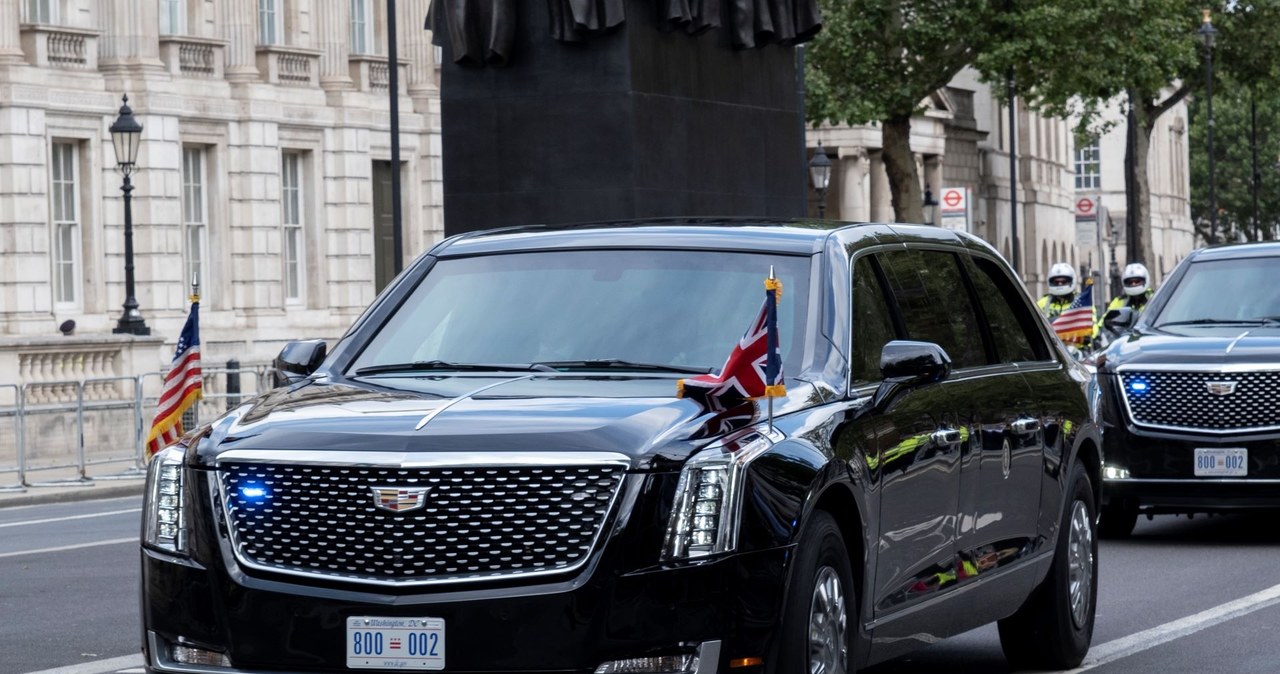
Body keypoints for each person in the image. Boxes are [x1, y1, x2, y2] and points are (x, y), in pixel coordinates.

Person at [1037, 262, 1098, 346]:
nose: (1060, 284)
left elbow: (1092, 324)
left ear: (1071, 280)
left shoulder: (1082, 301)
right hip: (1051, 349)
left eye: (1063, 281)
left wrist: (1089, 336)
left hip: (1078, 350)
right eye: (1056, 281)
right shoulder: (1042, 303)